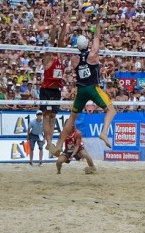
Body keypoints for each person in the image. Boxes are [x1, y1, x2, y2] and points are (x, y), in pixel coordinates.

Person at [55, 23, 115, 155]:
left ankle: (59, 144)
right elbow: (97, 37)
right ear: (87, 44)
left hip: (80, 90)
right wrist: (98, 23)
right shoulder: (93, 55)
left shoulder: (74, 59)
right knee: (111, 110)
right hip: (93, 88)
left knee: (72, 118)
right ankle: (104, 133)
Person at [40, 15, 68, 157]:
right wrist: (55, 27)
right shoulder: (49, 58)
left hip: (56, 90)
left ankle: (49, 143)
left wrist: (64, 25)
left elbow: (61, 41)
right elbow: (52, 41)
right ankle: (48, 142)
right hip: (46, 90)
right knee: (46, 117)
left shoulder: (60, 57)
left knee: (52, 118)